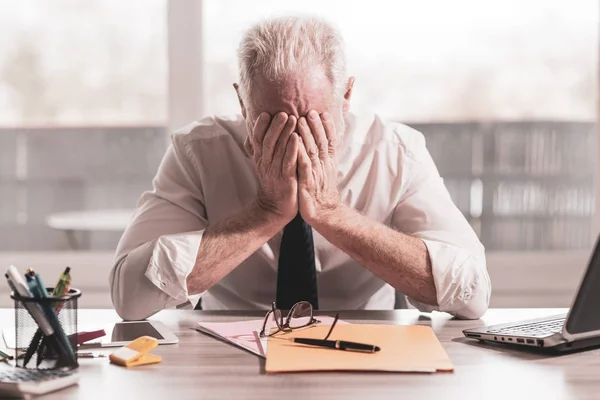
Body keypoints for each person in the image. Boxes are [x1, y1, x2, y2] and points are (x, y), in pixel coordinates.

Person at [109, 15, 490, 321]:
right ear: (242, 102)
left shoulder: (395, 152)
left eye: (312, 119)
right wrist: (265, 215)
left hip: (367, 350)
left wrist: (332, 214)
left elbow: (472, 293)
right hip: (230, 352)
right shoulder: (198, 151)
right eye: (273, 121)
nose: (295, 140)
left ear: (346, 96)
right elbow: (129, 297)